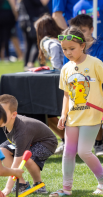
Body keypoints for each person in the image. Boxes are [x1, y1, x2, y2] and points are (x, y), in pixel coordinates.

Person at [50, 27, 103, 197]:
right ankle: (66, 188)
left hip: (92, 116)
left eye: (72, 48)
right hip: (73, 117)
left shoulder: (94, 63)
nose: (68, 52)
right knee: (68, 151)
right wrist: (63, 115)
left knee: (84, 151)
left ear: (83, 46)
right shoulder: (65, 68)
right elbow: (66, 95)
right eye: (64, 49)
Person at [66, 14, 103, 156]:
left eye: (83, 31)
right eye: (77, 31)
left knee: (94, 112)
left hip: (96, 88)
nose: (80, 35)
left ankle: (99, 141)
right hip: (76, 90)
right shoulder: (69, 48)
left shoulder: (102, 47)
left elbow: (101, 72)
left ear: (92, 29)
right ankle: (67, 142)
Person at [0, 94, 58, 195]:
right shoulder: (6, 122)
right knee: (2, 150)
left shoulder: (21, 131)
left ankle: (39, 185)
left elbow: (17, 163)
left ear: (13, 115)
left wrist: (7, 188)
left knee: (27, 159)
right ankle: (21, 184)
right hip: (30, 140)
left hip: (47, 142)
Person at [35, 14, 66, 155]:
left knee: (46, 112)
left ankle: (66, 139)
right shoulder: (61, 37)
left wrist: (57, 67)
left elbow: (53, 48)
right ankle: (66, 139)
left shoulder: (47, 41)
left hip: (60, 79)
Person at [18, 0, 49, 70]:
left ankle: (26, 64)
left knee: (29, 44)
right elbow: (42, 4)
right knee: (38, 43)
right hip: (32, 22)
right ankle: (31, 63)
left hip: (25, 22)